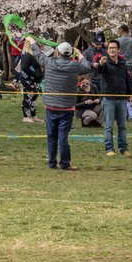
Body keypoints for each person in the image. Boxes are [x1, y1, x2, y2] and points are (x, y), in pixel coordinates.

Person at [35, 42, 85, 171]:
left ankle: (52, 163)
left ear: (58, 52)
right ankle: (64, 163)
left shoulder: (50, 62)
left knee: (52, 136)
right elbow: (87, 66)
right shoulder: (75, 66)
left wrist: (32, 42)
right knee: (63, 136)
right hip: (67, 107)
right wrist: (79, 54)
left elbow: (38, 55)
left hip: (51, 106)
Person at [93, 44, 132, 157]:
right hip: (109, 98)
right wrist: (101, 63)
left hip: (122, 98)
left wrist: (130, 94)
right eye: (110, 48)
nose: (112, 50)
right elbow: (99, 70)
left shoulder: (122, 63)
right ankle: (109, 148)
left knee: (122, 125)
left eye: (114, 48)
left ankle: (123, 148)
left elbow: (127, 79)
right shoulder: (105, 62)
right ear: (107, 50)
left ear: (118, 50)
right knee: (108, 125)